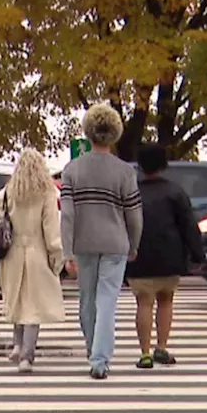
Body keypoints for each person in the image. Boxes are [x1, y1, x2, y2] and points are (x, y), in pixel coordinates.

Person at [59, 103, 142, 379]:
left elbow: (68, 214)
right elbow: (134, 214)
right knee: (108, 300)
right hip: (116, 242)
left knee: (87, 300)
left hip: (83, 242)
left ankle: (91, 348)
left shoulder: (72, 170)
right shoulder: (125, 172)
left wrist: (67, 251)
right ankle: (100, 358)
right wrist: (134, 243)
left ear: (88, 132)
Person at [0, 148, 65, 373]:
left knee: (17, 301)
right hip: (37, 253)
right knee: (33, 307)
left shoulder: (7, 192)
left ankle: (17, 345)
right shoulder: (47, 193)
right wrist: (57, 257)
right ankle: (27, 355)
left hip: (13, 255)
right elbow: (51, 230)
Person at [126, 143, 204, 369]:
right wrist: (198, 255)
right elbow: (188, 226)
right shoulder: (175, 191)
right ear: (163, 164)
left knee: (143, 303)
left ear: (140, 165)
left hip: (138, 255)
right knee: (166, 301)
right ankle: (161, 347)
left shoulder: (132, 191)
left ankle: (144, 354)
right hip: (170, 255)